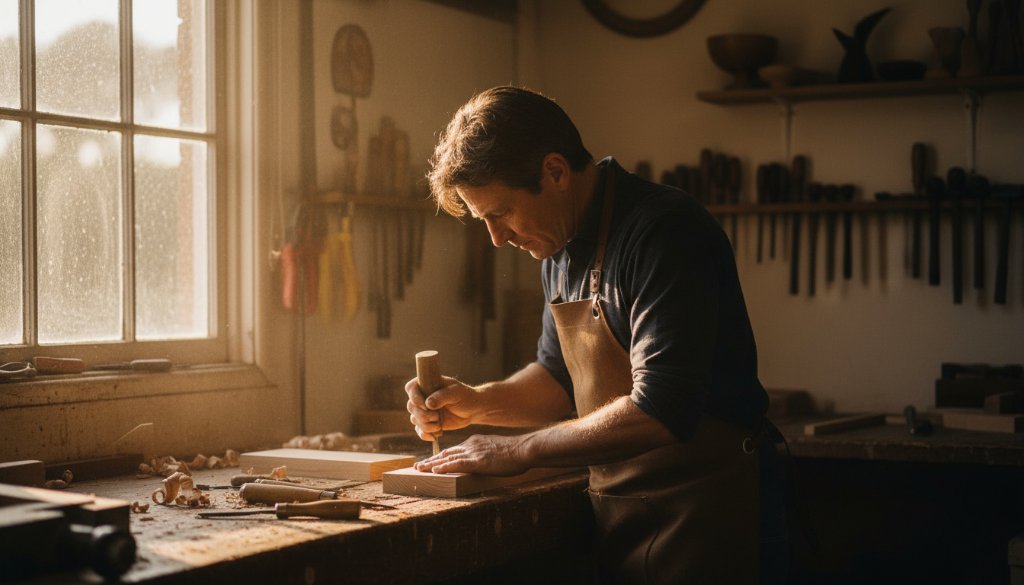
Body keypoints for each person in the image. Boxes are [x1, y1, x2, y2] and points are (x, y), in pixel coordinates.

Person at [407, 86, 787, 584]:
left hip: (709, 514)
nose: (497, 238)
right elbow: (556, 382)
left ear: (556, 172)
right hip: (622, 515)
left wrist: (516, 450)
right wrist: (475, 402)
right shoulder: (557, 247)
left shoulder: (664, 232)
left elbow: (662, 409)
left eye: (500, 213)